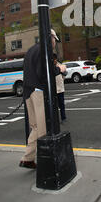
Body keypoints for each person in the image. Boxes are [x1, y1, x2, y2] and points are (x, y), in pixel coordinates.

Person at [19, 29, 66, 169]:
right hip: (38, 92)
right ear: (50, 37)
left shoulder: (31, 50)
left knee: (36, 127)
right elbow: (43, 74)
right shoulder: (44, 50)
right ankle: (48, 162)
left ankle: (27, 158)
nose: (55, 44)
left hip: (28, 92)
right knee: (43, 128)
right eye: (55, 40)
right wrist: (60, 69)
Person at [53, 53, 67, 123]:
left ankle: (63, 118)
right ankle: (55, 120)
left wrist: (61, 79)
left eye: (55, 59)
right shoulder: (51, 67)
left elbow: (64, 75)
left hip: (60, 89)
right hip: (53, 90)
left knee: (61, 105)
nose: (54, 61)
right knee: (54, 106)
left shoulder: (60, 66)